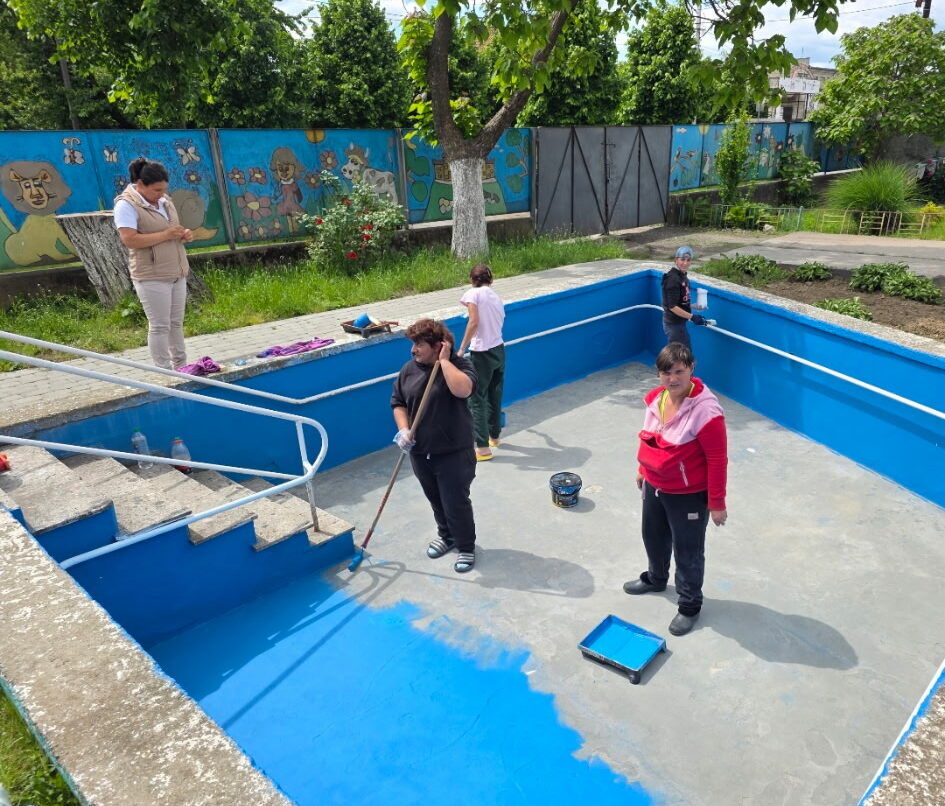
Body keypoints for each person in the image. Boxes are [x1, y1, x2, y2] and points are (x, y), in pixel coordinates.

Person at [624, 342, 728, 636]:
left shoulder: (707, 412)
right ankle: (656, 579)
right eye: (666, 373)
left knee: (688, 552)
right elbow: (649, 437)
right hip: (656, 485)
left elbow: (718, 459)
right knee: (653, 536)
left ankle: (690, 605)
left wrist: (716, 502)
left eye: (679, 372)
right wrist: (643, 470)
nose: (673, 379)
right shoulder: (657, 399)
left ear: (692, 369)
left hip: (689, 495)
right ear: (658, 375)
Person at [391, 319, 479, 573]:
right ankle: (447, 536)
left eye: (419, 344)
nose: (413, 350)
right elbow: (398, 402)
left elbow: (463, 391)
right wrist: (404, 430)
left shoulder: (460, 366)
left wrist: (445, 361)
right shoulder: (409, 369)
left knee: (455, 501)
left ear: (438, 345)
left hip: (454, 451)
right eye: (413, 344)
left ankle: (465, 546)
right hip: (420, 451)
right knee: (436, 499)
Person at [114, 158, 194, 370]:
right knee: (160, 325)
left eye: (164, 189)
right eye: (157, 190)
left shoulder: (165, 201)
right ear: (140, 185)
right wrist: (166, 234)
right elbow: (129, 239)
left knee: (176, 323)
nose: (161, 194)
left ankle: (182, 366)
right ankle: (163, 371)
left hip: (176, 270)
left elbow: (171, 230)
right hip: (151, 274)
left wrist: (183, 234)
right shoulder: (126, 205)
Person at [457, 263, 506, 461]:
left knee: (477, 398)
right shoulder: (495, 296)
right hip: (499, 350)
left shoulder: (473, 294)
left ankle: (483, 449)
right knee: (495, 394)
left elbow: (474, 321)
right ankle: (494, 437)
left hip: (482, 353)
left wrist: (461, 348)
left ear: (472, 280)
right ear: (490, 279)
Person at [661, 245, 708, 348]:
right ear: (676, 260)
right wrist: (692, 317)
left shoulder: (682, 276)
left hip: (679, 323)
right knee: (682, 356)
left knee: (680, 356)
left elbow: (680, 302)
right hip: (674, 325)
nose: (685, 263)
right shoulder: (673, 279)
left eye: (688, 260)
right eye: (682, 259)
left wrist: (694, 306)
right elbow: (672, 306)